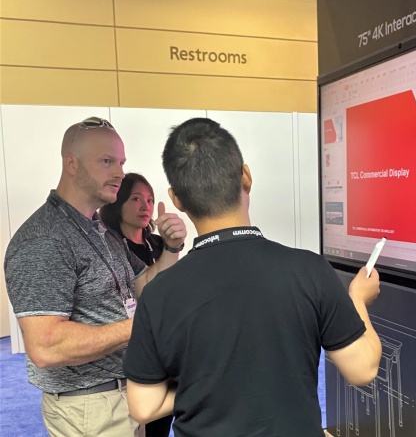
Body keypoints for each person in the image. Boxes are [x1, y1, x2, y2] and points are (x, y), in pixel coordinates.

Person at [123, 117, 383, 436]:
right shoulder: (309, 270)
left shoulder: (160, 293)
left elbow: (143, 406)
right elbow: (362, 368)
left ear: (176, 198)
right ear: (245, 176)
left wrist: (207, 385)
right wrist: (357, 298)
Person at [4, 116, 187, 437]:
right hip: (89, 406)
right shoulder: (45, 239)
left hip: (120, 396)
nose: (119, 173)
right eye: (106, 161)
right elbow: (46, 346)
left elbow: (142, 286)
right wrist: (144, 325)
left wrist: (171, 248)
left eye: (121, 162)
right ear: (71, 164)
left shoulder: (99, 230)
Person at [100, 172, 175, 437]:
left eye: (150, 200)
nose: (145, 206)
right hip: (129, 349)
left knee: (162, 419)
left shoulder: (159, 243)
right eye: (135, 199)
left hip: (163, 346)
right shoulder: (110, 248)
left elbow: (169, 289)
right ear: (117, 202)